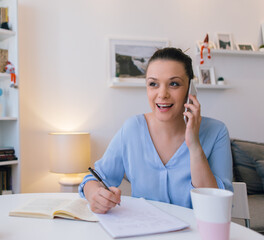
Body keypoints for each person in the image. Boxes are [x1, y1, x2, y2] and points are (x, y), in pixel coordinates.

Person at [79, 47, 233, 213]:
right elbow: (94, 178)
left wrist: (194, 145)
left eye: (174, 84)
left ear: (190, 89)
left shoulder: (216, 132)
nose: (162, 94)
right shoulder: (132, 129)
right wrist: (95, 194)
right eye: (153, 84)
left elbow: (218, 205)